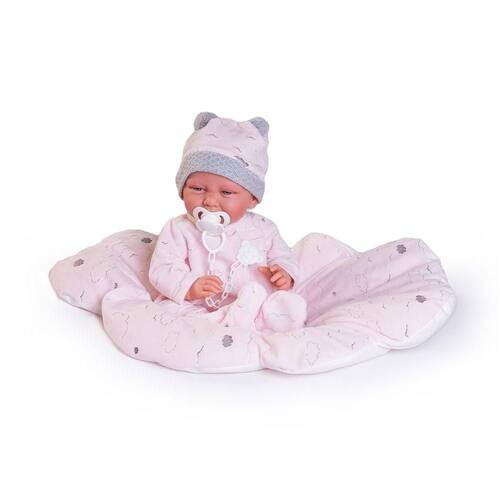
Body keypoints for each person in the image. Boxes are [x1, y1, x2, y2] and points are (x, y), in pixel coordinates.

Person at [148, 112, 307, 332]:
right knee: (169, 312)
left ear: (252, 198)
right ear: (182, 189)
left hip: (255, 301)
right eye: (197, 188)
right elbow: (163, 267)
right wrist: (189, 286)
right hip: (199, 305)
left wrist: (284, 273)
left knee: (282, 303)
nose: (210, 201)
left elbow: (283, 256)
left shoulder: (264, 228)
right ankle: (224, 323)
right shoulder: (179, 229)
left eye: (226, 192)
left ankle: (248, 318)